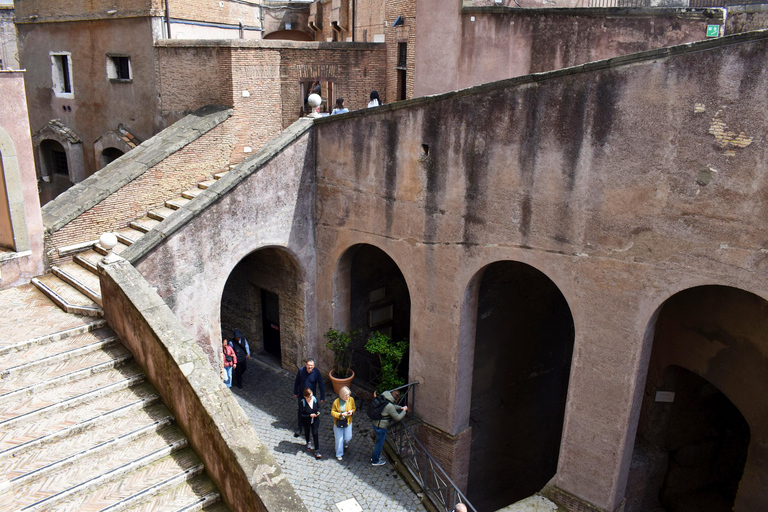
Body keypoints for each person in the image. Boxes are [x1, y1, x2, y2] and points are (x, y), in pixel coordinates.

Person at [370, 389, 407, 466]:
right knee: (379, 443)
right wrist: (404, 411)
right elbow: (397, 417)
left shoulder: (385, 395)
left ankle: (377, 456)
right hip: (381, 426)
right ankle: (375, 460)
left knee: (378, 442)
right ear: (397, 399)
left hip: (375, 422)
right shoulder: (389, 406)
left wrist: (400, 407)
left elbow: (392, 407)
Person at [293, 359, 325, 437]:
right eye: (308, 365)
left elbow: (321, 385)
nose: (309, 367)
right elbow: (297, 381)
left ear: (313, 366)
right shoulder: (301, 371)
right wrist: (295, 392)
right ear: (306, 365)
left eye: (311, 365)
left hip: (311, 397)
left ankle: (312, 426)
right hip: (301, 395)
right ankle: (299, 428)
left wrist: (322, 396)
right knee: (301, 411)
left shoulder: (316, 373)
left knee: (312, 410)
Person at [330, 386, 356, 461]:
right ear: (342, 395)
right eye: (346, 395)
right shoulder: (336, 402)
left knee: (348, 437)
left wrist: (351, 411)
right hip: (338, 422)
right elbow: (332, 412)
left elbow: (354, 408)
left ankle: (345, 442)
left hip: (348, 422)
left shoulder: (351, 400)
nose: (348, 397)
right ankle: (339, 454)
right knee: (339, 439)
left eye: (348, 395)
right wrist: (341, 414)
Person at [300, 387, 322, 459]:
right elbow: (301, 414)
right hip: (307, 420)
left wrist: (318, 412)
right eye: (309, 397)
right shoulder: (302, 402)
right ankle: (308, 442)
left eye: (311, 396)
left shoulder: (314, 399)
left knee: (315, 433)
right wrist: (309, 415)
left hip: (315, 420)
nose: (311, 398)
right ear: (305, 397)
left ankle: (317, 449)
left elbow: (318, 407)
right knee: (307, 431)